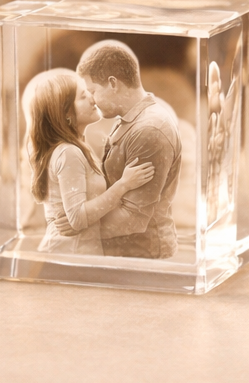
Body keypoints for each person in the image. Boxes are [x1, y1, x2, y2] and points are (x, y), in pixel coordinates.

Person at [74, 40, 183, 259]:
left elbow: (134, 218)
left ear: (113, 83)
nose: (92, 101)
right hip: (127, 253)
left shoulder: (149, 130)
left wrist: (76, 230)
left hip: (143, 257)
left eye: (93, 90)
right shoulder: (130, 119)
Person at [28, 71, 156, 255]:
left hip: (78, 252)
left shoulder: (77, 148)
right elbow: (78, 219)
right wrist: (124, 185)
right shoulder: (68, 152)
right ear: (66, 114)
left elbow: (78, 216)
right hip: (69, 255)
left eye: (89, 92)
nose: (92, 99)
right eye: (83, 96)